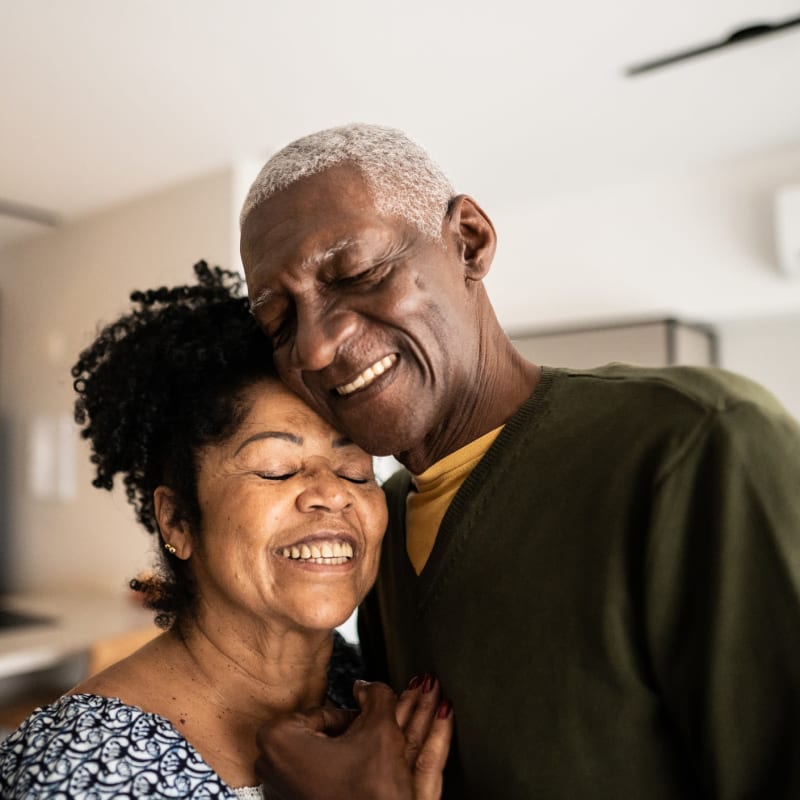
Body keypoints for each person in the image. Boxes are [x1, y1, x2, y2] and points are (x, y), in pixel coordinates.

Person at [239, 123, 800, 798]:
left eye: (358, 273)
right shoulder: (377, 525)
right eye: (279, 322)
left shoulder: (695, 446)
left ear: (468, 242)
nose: (316, 348)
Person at [0, 262, 452, 799]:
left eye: (356, 470)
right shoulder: (77, 771)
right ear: (178, 522)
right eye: (276, 469)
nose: (333, 493)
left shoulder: (370, 698)